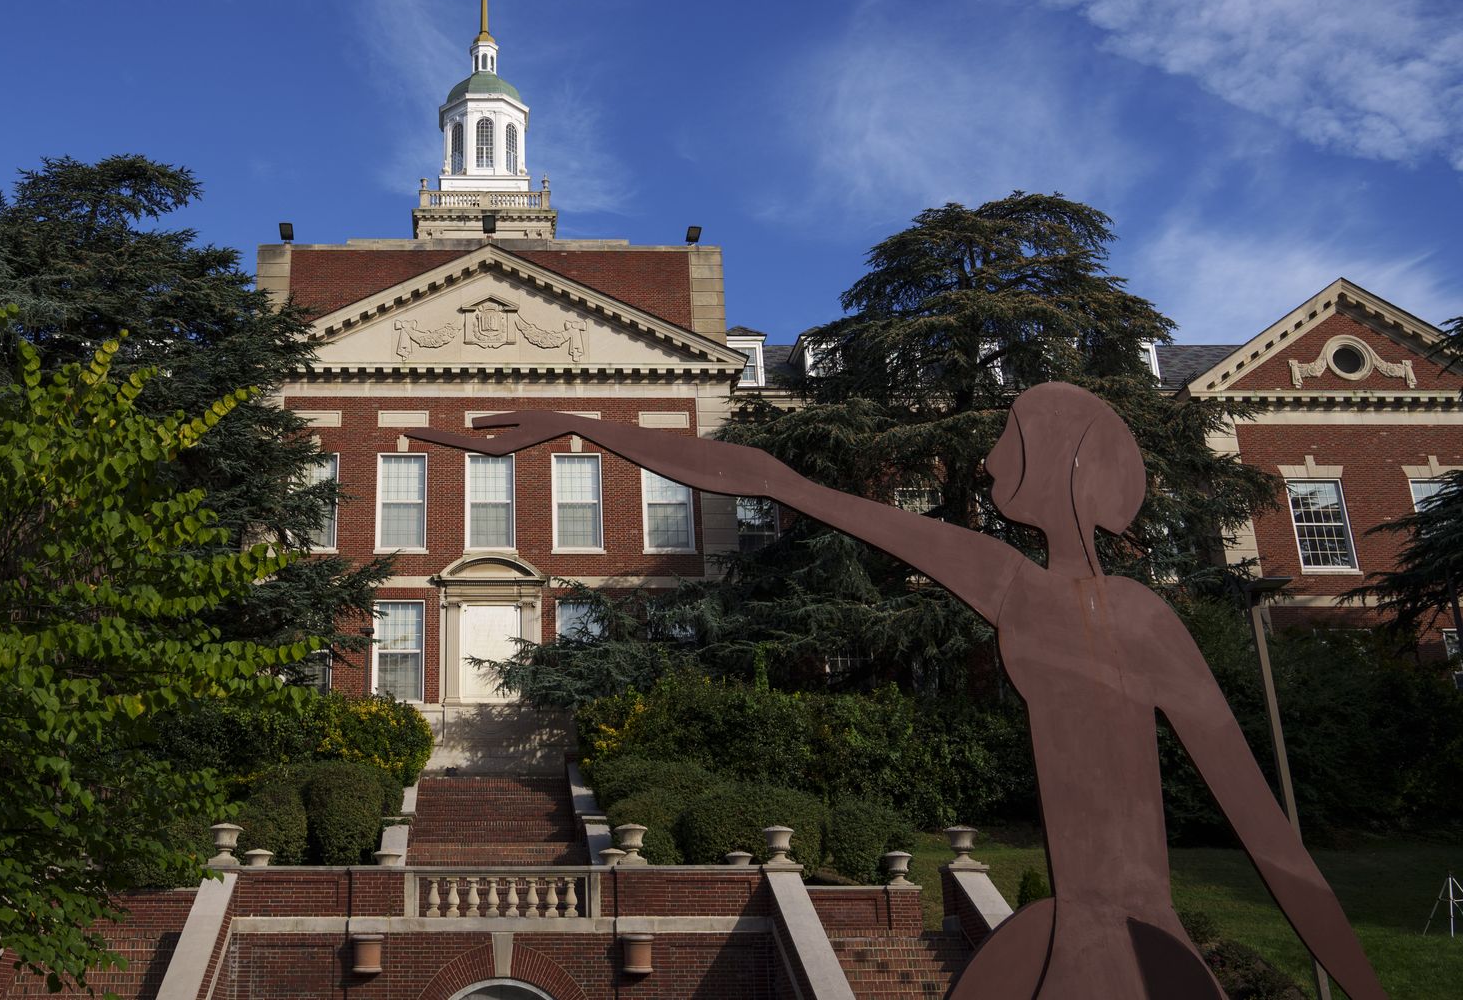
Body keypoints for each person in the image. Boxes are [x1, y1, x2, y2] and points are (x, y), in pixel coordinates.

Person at [407, 382, 1383, 1000]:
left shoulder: (1128, 616)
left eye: (1010, 438)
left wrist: (1360, 984)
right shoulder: (1014, 585)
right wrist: (581, 425)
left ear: (1057, 467)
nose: (991, 455)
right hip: (1064, 928)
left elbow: (1263, 829)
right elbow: (775, 479)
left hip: (1131, 950)